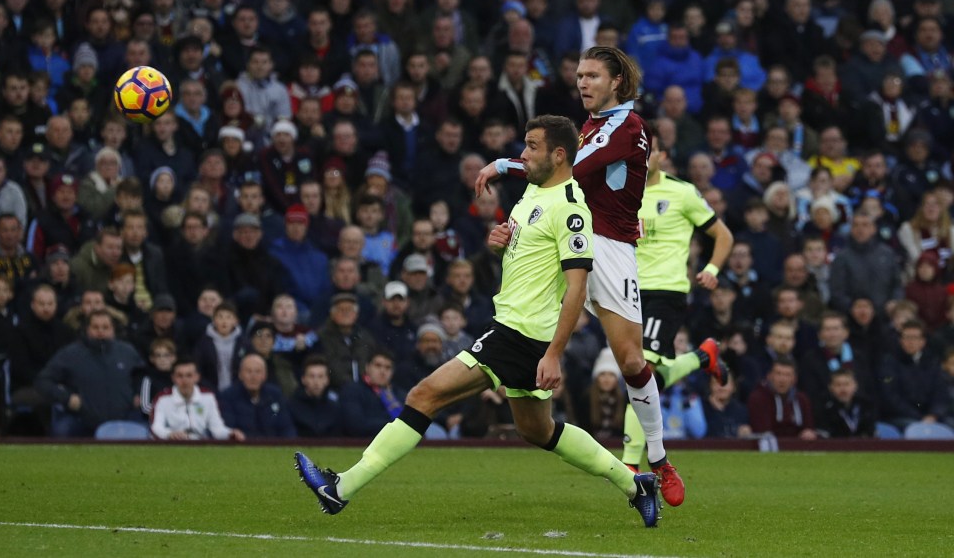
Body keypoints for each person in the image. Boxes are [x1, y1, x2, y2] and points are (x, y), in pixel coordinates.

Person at [295, 115, 661, 527]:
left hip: (520, 336)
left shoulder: (572, 210)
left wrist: (555, 353)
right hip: (519, 331)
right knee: (538, 432)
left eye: (532, 147)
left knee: (423, 395)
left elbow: (577, 287)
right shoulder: (533, 193)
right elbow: (530, 259)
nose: (523, 154)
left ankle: (340, 488)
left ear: (560, 155)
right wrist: (500, 244)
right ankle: (636, 485)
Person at [475, 46, 684, 506]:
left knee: (631, 360)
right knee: (517, 312)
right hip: (566, 238)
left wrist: (504, 164)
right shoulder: (590, 125)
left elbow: (570, 168)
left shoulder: (627, 127)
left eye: (592, 76)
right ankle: (489, 375)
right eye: (579, 76)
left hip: (609, 248)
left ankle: (659, 458)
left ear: (617, 83)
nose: (582, 83)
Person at [620, 139, 732, 469]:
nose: (642, 158)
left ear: (662, 156)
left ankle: (630, 465)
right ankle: (702, 357)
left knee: (640, 374)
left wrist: (711, 269)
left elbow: (723, 236)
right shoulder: (621, 192)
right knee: (646, 377)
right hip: (627, 293)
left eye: (648, 151)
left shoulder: (682, 193)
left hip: (667, 292)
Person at [150, 359, 246, 441]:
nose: (184, 380)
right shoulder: (163, 398)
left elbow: (217, 429)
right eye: (180, 376)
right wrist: (170, 434)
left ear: (197, 377)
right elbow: (156, 427)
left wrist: (230, 433)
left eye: (189, 375)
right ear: (173, 378)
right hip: (172, 445)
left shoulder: (208, 397)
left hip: (200, 445)